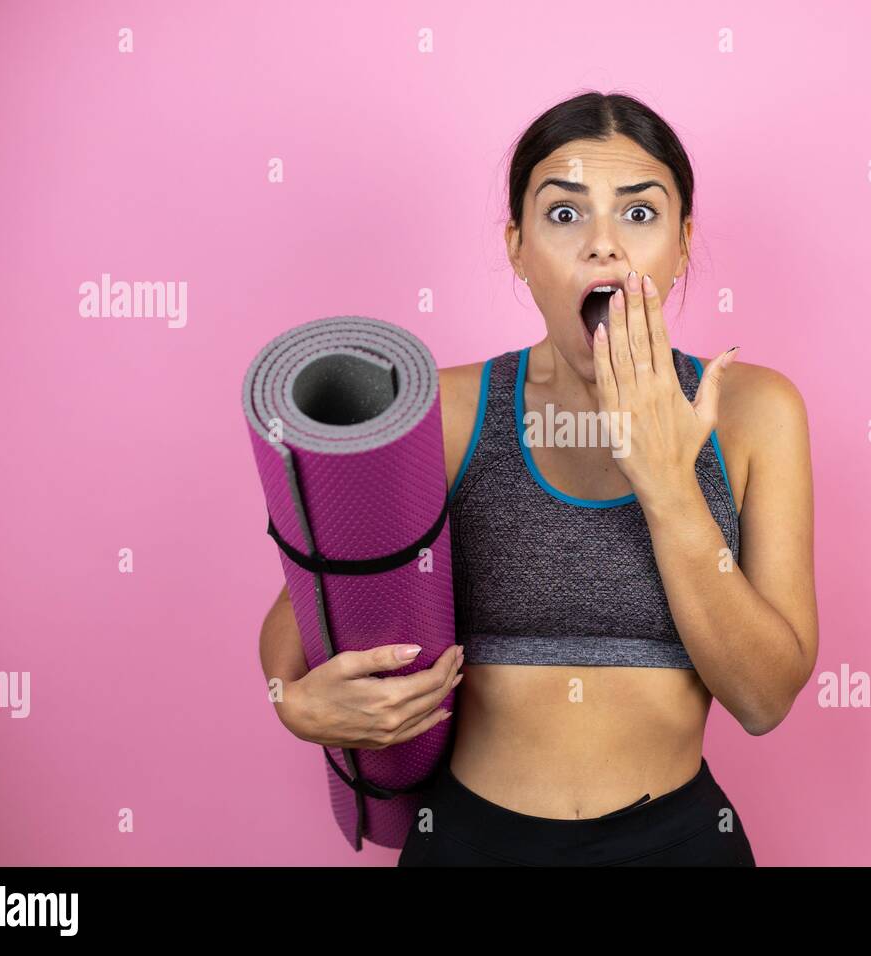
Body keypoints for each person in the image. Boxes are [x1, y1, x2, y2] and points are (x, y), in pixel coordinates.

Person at [259, 90, 818, 866]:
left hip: (681, 845)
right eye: (564, 216)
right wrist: (299, 708)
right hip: (467, 842)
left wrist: (665, 479)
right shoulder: (447, 412)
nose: (603, 247)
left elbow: (765, 699)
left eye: (639, 214)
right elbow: (297, 632)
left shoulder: (756, 412)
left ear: (683, 245)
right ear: (518, 246)